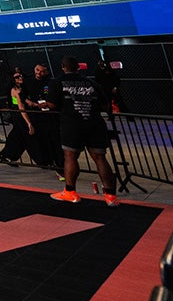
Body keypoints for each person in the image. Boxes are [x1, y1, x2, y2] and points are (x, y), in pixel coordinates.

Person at [47, 56, 119, 206]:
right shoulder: (91, 82)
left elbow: (52, 105)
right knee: (100, 158)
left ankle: (70, 192)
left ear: (63, 67)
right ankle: (110, 196)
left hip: (72, 124)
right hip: (94, 122)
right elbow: (105, 105)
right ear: (78, 67)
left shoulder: (57, 82)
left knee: (70, 157)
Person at [0, 71, 37, 166]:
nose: (20, 78)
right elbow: (21, 107)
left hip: (22, 115)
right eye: (17, 77)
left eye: (21, 76)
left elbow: (26, 101)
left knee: (19, 136)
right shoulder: (15, 90)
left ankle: (7, 155)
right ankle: (41, 160)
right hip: (20, 116)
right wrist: (29, 123)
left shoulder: (23, 88)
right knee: (25, 136)